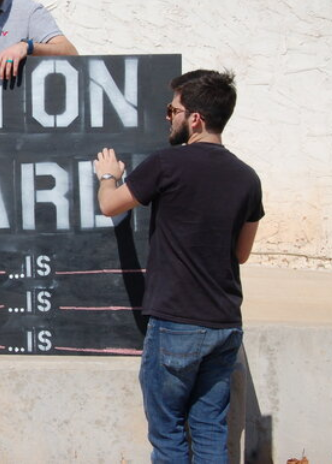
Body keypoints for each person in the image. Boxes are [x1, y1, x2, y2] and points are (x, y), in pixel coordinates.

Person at [93, 69, 263, 463]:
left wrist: (108, 176)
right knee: (210, 430)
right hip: (224, 322)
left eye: (173, 110)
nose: (168, 117)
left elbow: (110, 205)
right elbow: (242, 253)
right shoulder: (248, 178)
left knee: (168, 431)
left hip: (176, 320)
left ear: (196, 119)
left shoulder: (167, 164)